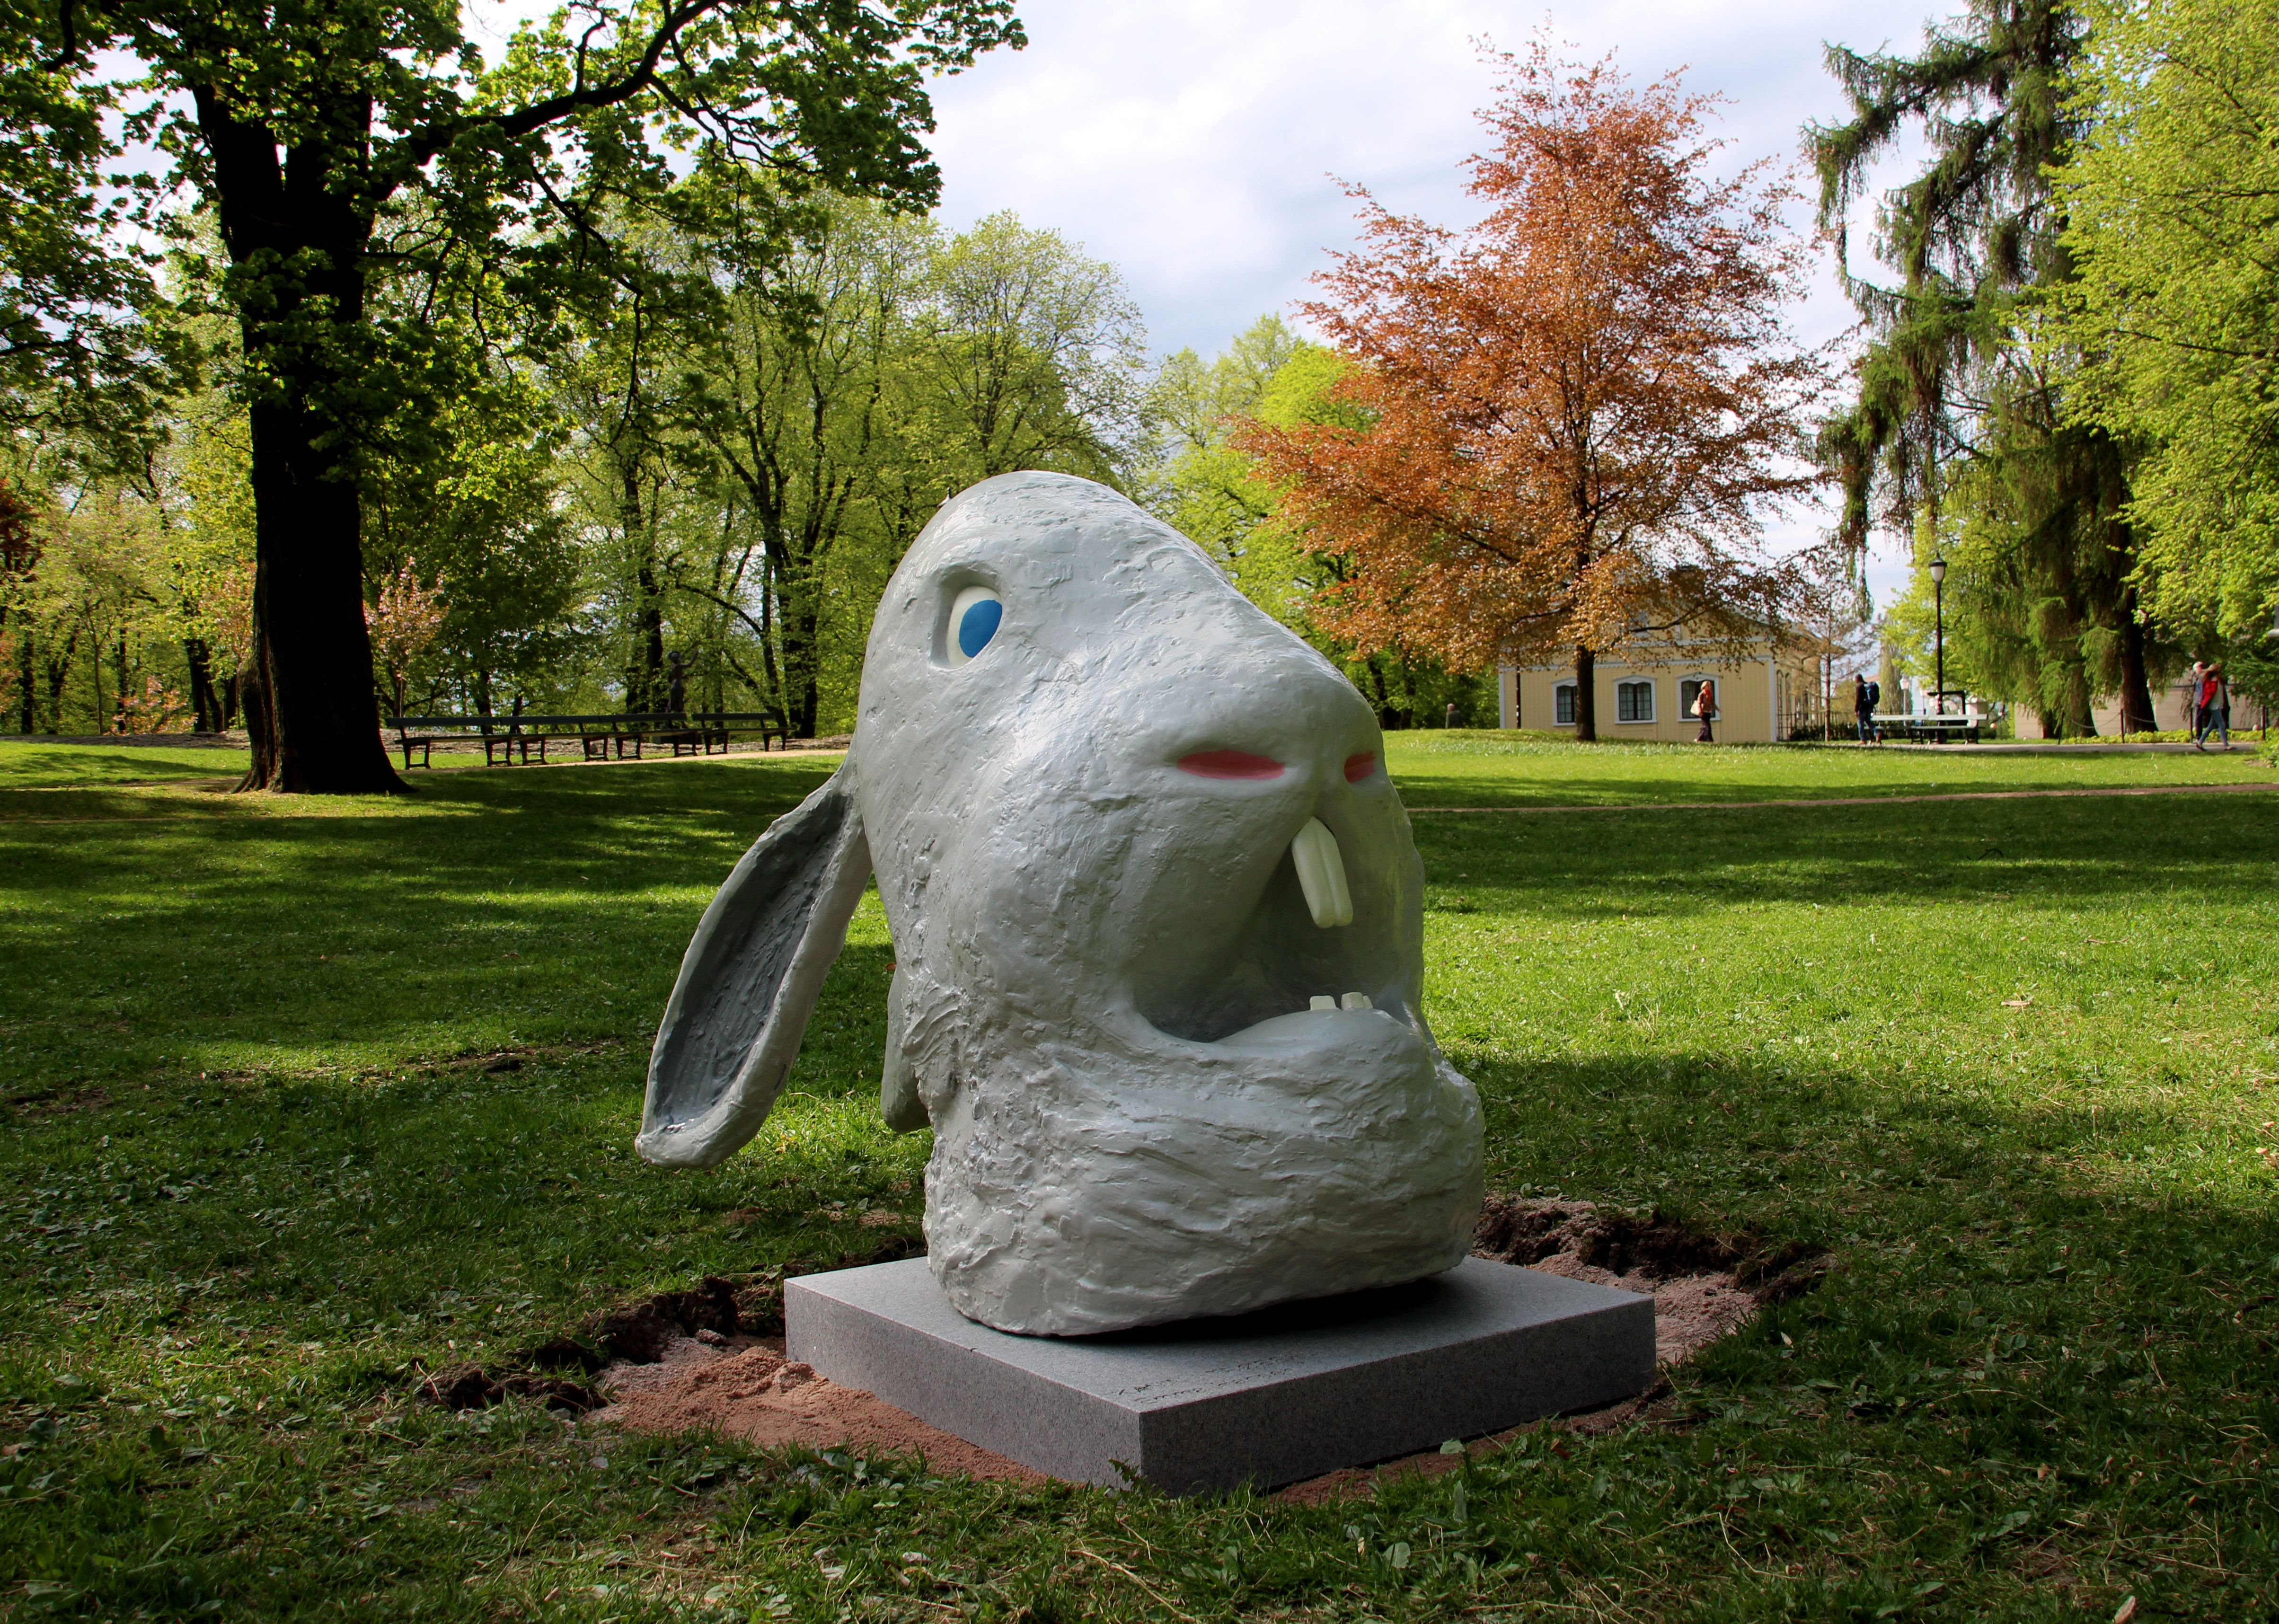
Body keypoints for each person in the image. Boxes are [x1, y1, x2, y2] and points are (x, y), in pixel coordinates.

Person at [2196, 664, 2230, 750]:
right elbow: (2209, 692)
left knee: (2211, 726)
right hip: (2213, 706)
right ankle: (2226, 745)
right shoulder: (2210, 680)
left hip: (2218, 705)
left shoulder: (2218, 681)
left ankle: (2200, 743)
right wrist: (2214, 683)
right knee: (2222, 724)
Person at [2182, 660, 2206, 739]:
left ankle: (2199, 736)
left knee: (2199, 719)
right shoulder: (2200, 677)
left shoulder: (2203, 677)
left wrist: (2199, 700)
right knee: (2199, 718)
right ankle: (2200, 736)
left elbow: (2201, 690)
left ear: (2199, 668)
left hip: (2201, 701)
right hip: (2200, 701)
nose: (2195, 671)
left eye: (2195, 669)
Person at [1693, 677, 1716, 743]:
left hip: (1709, 712)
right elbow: (1699, 703)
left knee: (1704, 727)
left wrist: (1718, 709)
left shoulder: (1709, 694)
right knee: (1707, 726)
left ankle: (1698, 739)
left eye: (1710, 686)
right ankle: (1710, 740)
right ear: (1704, 687)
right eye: (1708, 686)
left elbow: (1712, 703)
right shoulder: (1702, 694)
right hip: (1703, 712)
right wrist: (1700, 711)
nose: (1710, 687)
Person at [1853, 672, 1873, 743]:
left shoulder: (1859, 687)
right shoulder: (1867, 686)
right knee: (1869, 722)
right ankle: (1877, 733)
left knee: (1860, 723)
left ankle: (1863, 739)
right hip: (1868, 707)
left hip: (1862, 708)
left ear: (1857, 679)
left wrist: (1856, 710)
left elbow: (1858, 699)